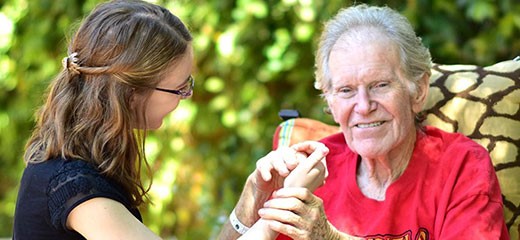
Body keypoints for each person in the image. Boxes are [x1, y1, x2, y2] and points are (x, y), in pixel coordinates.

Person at [12, 0, 329, 239]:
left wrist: (252, 198)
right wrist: (286, 205)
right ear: (133, 92)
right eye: (180, 87)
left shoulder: (77, 168)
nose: (186, 96)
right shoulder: (75, 189)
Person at [219, 4, 510, 240]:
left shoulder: (461, 166)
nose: (363, 106)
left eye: (380, 85)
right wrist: (252, 199)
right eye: (346, 91)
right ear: (331, 103)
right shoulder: (312, 168)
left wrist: (330, 238)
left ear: (418, 90)